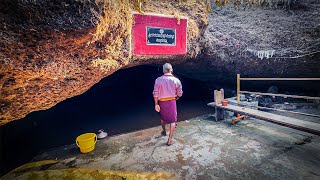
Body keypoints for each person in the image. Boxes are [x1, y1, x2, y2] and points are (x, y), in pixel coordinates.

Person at [153, 63, 183, 146]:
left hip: (162, 102)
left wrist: (156, 103)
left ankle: (164, 132)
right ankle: (169, 140)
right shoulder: (176, 80)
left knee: (163, 118)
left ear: (163, 71)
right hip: (172, 102)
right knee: (173, 121)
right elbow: (179, 93)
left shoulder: (158, 80)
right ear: (171, 70)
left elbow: (155, 94)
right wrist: (176, 97)